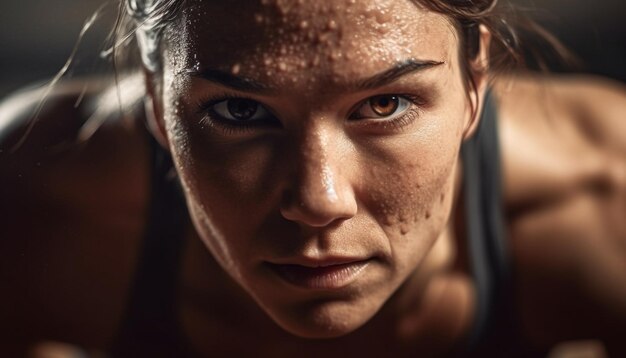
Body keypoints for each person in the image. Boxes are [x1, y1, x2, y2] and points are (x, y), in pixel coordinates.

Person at [1, 0, 625, 356]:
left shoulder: (605, 189)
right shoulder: (34, 206)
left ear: (473, 82)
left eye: (384, 106)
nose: (318, 200)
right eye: (239, 111)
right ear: (155, 98)